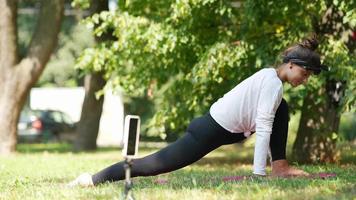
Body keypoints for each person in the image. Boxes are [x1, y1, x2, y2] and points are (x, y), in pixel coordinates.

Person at [68, 35, 328, 187]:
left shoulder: (270, 78)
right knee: (154, 165)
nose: (304, 80)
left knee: (282, 108)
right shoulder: (272, 83)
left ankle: (280, 166)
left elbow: (266, 122)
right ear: (291, 65)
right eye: (304, 74)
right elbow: (264, 128)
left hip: (223, 128)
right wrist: (258, 174)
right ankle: (91, 179)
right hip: (210, 131)